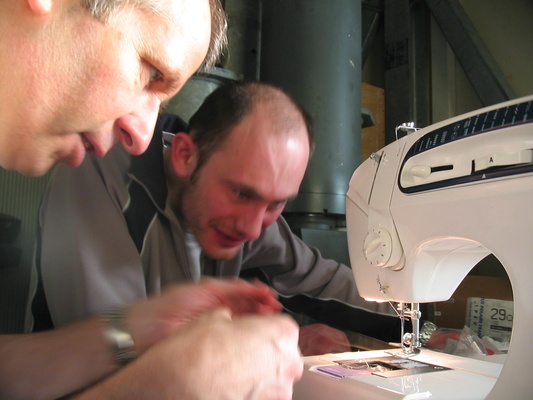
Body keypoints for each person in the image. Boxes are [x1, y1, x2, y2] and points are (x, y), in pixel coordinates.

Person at [0, 1, 303, 399]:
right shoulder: (101, 177)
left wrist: (136, 327)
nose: (143, 137)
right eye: (150, 71)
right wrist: (158, 389)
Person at [34, 80, 402, 358]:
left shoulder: (250, 213)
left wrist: (413, 321)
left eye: (276, 204)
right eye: (242, 194)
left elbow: (317, 280)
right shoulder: (99, 174)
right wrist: (257, 346)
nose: (254, 228)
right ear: (184, 156)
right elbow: (110, 343)